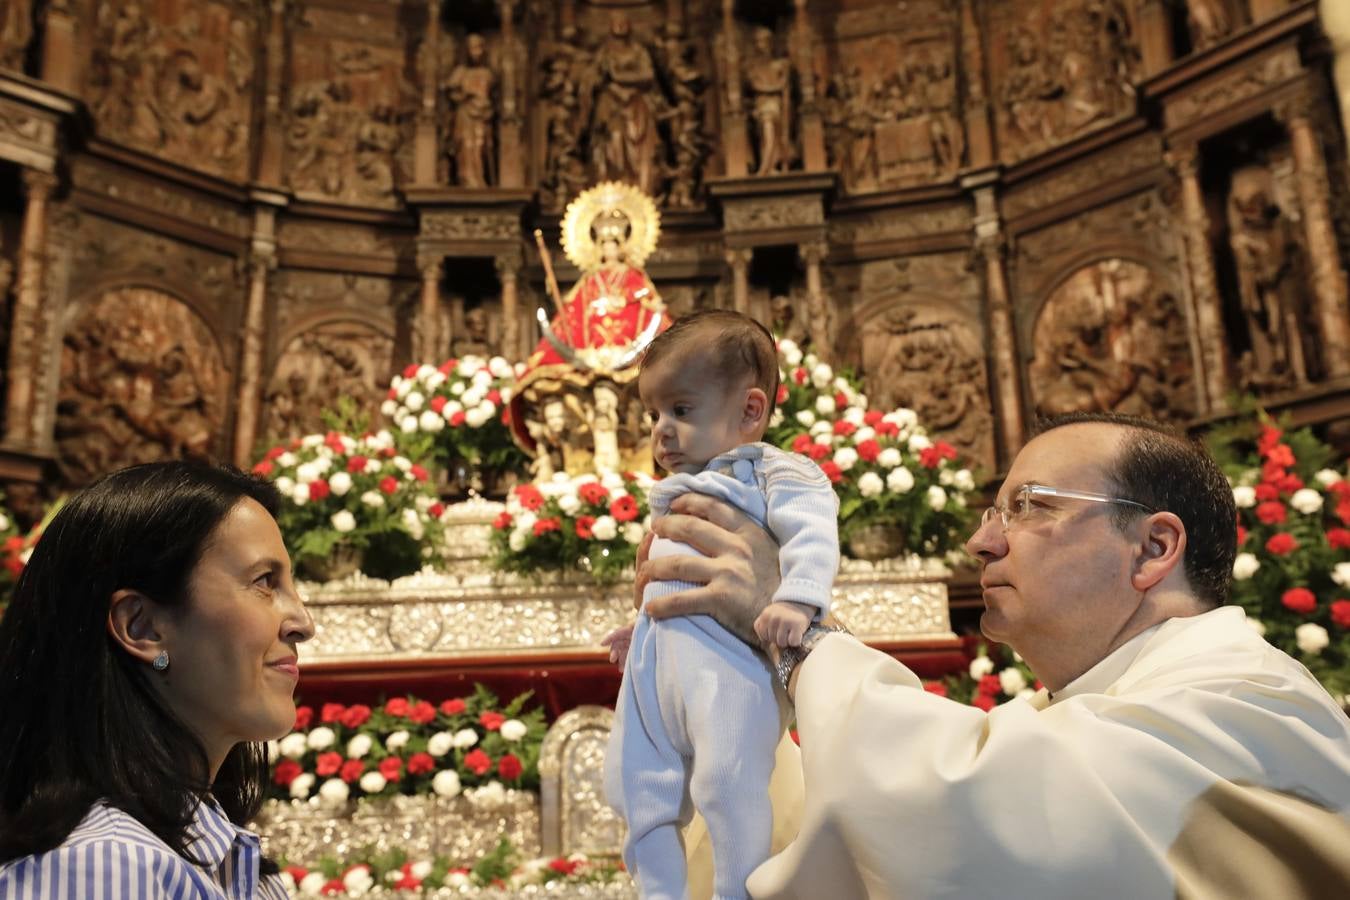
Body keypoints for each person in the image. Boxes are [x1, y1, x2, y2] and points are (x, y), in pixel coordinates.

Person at [631, 412, 1350, 898]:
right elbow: (846, 832)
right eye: (990, 512)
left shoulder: (1246, 704)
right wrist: (728, 660)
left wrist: (794, 631)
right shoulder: (1074, 713)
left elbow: (965, 814)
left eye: (1028, 506)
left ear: (1154, 547)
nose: (983, 543)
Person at [603, 310, 840, 900]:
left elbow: (813, 536)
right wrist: (638, 627)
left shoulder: (775, 473)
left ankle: (738, 890)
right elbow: (664, 578)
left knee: (727, 783)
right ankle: (659, 891)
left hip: (730, 661)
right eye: (654, 414)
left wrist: (797, 598)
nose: (660, 430)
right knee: (635, 782)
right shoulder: (672, 491)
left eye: (681, 410)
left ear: (750, 411)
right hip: (656, 663)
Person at [0, 461, 314, 898]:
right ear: (141, 627)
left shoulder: (239, 869)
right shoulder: (102, 871)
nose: (303, 621)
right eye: (264, 582)